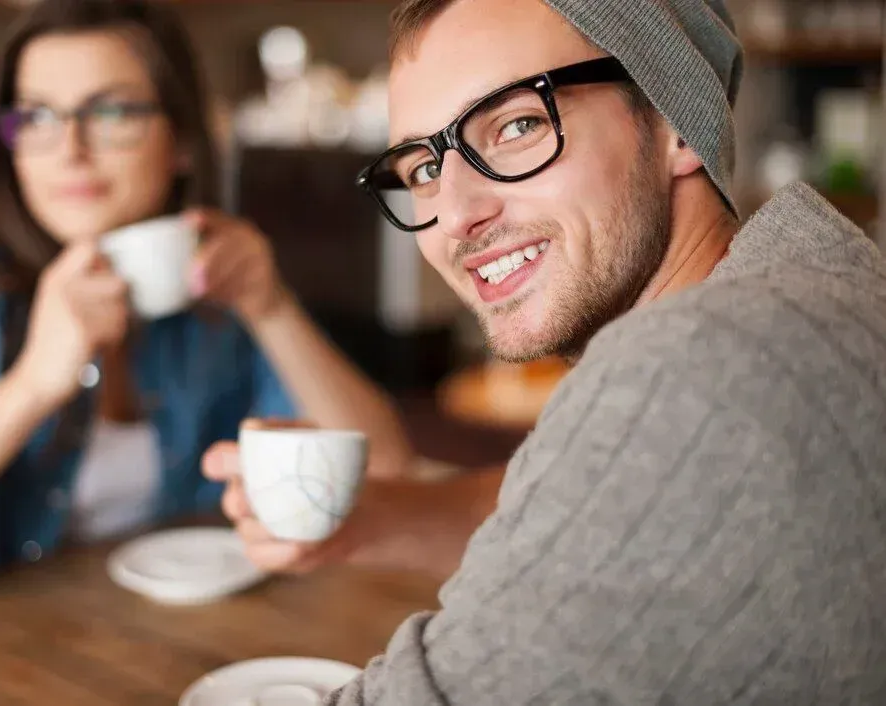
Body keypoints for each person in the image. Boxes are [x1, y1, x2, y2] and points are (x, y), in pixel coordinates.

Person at [205, 0, 886, 701]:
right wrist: (376, 518)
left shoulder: (697, 364)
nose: (460, 215)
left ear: (674, 121)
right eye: (421, 170)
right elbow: (602, 507)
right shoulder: (806, 283)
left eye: (516, 125)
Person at [0, 0, 415, 627]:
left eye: (109, 111)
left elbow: (383, 472)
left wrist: (272, 308)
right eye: (37, 116)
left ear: (183, 140)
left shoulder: (212, 297)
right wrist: (32, 384)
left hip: (153, 650)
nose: (70, 149)